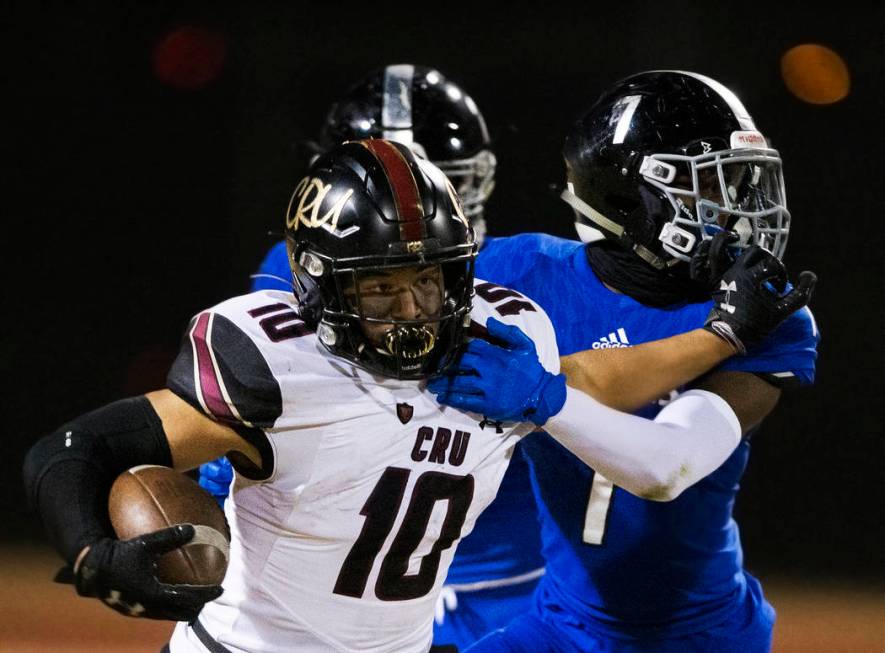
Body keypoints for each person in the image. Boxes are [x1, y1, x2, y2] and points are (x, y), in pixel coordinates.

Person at [24, 138, 809, 652]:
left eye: (430, 278)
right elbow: (75, 450)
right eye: (382, 285)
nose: (412, 309)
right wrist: (94, 548)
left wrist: (723, 338)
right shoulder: (275, 362)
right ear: (321, 287)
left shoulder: (499, 345)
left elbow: (599, 379)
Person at [431, 70, 820, 652]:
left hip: (701, 638)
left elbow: (667, 467)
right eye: (708, 187)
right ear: (628, 197)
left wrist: (542, 393)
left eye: (740, 184)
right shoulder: (513, 273)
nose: (737, 208)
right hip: (560, 625)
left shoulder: (767, 312)